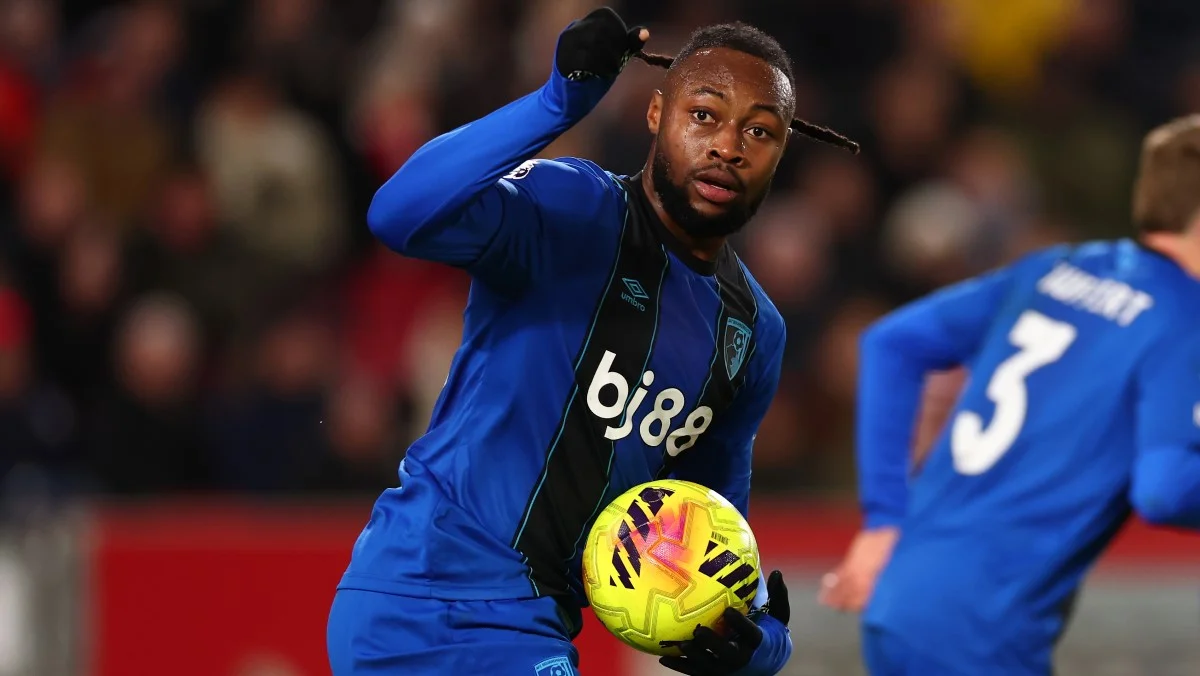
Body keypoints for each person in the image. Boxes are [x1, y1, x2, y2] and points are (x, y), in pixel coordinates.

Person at [326, 8, 857, 676]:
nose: (728, 145)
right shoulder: (574, 209)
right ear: (656, 114)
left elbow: (710, 519)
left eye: (759, 131)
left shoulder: (752, 332)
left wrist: (760, 642)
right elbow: (398, 213)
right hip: (416, 594)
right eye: (704, 115)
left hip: (533, 630)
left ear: (780, 154)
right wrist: (556, 103)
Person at [819, 114, 1200, 675]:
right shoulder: (1184, 317)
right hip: (980, 631)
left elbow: (891, 344)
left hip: (902, 601)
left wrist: (884, 518)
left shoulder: (1055, 270)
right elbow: (1165, 491)